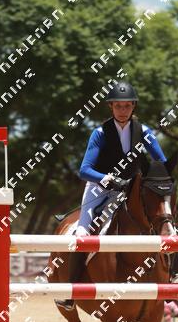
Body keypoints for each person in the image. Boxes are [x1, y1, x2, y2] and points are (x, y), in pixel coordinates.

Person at [60, 81, 168, 309]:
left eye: (127, 106)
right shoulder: (100, 133)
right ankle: (72, 291)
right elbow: (84, 170)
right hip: (99, 190)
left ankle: (171, 277)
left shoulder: (144, 132)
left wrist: (159, 178)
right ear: (111, 107)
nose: (122, 110)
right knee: (82, 234)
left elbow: (161, 162)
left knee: (164, 223)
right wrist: (108, 178)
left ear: (133, 106)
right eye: (118, 106)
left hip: (131, 190)